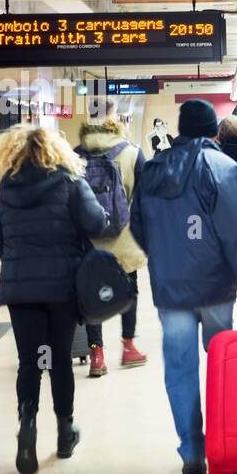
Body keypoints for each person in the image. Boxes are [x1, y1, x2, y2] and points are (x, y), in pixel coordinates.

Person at [130, 99, 237, 474]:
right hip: (215, 288)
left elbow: (138, 226)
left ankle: (192, 452)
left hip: (171, 290)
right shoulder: (222, 167)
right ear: (212, 130)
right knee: (223, 362)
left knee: (180, 369)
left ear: (181, 129)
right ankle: (225, 442)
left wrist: (163, 258)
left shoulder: (155, 168)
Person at [0, 124, 107, 474]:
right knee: (58, 360)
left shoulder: (7, 189)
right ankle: (64, 432)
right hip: (61, 287)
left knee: (30, 362)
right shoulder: (70, 182)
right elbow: (97, 224)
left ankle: (27, 425)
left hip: (22, 291)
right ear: (54, 150)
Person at [75, 103, 148, 376]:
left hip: (87, 241)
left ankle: (97, 354)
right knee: (130, 291)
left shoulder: (74, 155)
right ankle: (128, 347)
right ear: (113, 119)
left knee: (91, 295)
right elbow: (144, 200)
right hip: (124, 239)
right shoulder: (131, 153)